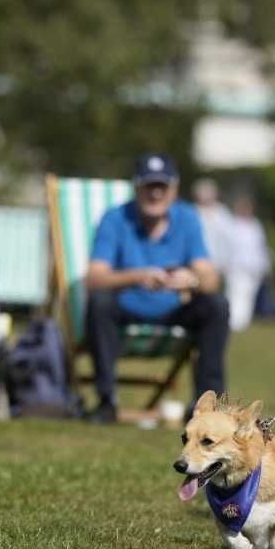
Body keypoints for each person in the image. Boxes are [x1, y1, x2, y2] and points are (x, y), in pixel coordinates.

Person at [84, 153, 229, 424]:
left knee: (216, 304)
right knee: (99, 301)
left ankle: (208, 410)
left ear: (174, 189)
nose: (155, 193)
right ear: (136, 187)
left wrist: (191, 279)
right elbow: (94, 277)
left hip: (174, 309)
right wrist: (138, 276)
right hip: (126, 307)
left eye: (162, 186)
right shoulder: (115, 219)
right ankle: (106, 402)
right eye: (149, 186)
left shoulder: (187, 218)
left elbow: (210, 278)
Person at [224, 195, 272, 331]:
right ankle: (232, 321)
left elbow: (260, 246)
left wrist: (265, 265)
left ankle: (243, 321)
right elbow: (227, 246)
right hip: (235, 266)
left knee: (248, 294)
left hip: (253, 267)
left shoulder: (255, 225)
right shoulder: (231, 225)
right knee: (234, 293)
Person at [191, 177, 233, 271]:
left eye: (208, 191)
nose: (206, 195)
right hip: (198, 263)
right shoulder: (191, 211)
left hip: (221, 264)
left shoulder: (222, 212)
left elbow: (231, 237)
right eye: (203, 191)